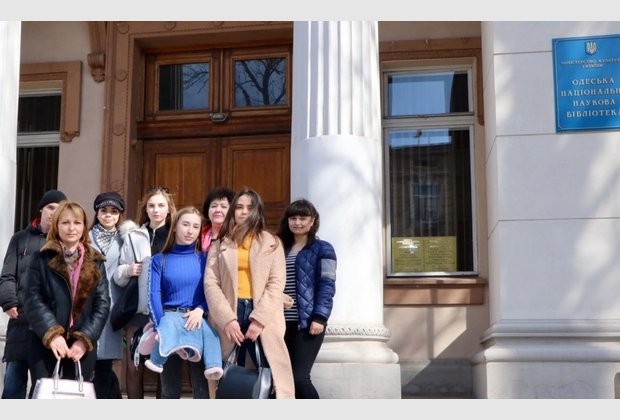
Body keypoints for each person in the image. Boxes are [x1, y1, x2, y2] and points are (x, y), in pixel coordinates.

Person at [204, 187, 295, 399]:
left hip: (264, 313)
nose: (244, 212)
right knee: (229, 374)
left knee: (270, 373)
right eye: (239, 207)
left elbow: (276, 283)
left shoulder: (273, 243)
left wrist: (259, 319)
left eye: (250, 207)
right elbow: (211, 283)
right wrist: (227, 319)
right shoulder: (220, 243)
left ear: (257, 211)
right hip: (230, 312)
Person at [22, 200, 110, 398]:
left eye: (77, 223)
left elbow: (103, 304)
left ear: (84, 226)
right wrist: (52, 334)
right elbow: (32, 299)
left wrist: (84, 339)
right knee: (44, 396)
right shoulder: (41, 258)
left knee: (76, 398)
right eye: (65, 222)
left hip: (81, 344)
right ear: (57, 225)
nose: (71, 228)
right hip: (45, 341)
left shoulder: (96, 261)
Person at [145, 206, 222, 398]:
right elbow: (153, 295)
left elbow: (214, 291)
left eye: (195, 226)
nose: (190, 231)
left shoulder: (205, 258)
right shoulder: (159, 260)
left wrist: (201, 309)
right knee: (169, 391)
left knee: (202, 391)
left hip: (197, 323)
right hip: (169, 323)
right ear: (175, 227)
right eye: (185, 224)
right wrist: (161, 327)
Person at [0, 189, 67, 399]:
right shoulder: (20, 238)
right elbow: (7, 274)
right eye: (50, 207)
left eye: (59, 209)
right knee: (13, 384)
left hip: (49, 322)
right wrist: (8, 301)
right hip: (20, 319)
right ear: (41, 209)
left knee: (42, 388)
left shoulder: (64, 242)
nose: (53, 212)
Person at [115, 186, 176, 398]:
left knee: (164, 368)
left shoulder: (175, 235)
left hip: (167, 311)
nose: (156, 210)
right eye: (151, 206)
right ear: (145, 209)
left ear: (168, 209)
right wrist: (128, 270)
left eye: (161, 205)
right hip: (138, 309)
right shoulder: (134, 236)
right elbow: (118, 274)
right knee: (134, 365)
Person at [277, 199, 337, 399]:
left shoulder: (323, 248)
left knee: (299, 378)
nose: (297, 222)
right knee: (282, 380)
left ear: (312, 221)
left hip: (307, 323)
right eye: (293, 218)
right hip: (280, 322)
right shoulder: (280, 248)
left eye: (303, 218)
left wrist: (320, 317)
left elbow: (327, 284)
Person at [89, 192, 126, 399]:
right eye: (104, 211)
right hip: (88, 306)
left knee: (105, 363)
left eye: (114, 211)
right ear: (97, 212)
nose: (108, 215)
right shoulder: (85, 237)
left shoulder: (125, 239)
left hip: (113, 305)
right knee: (88, 360)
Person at [201, 187, 235, 253]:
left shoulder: (237, 235)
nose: (218, 210)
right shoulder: (199, 235)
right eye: (214, 206)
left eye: (223, 206)